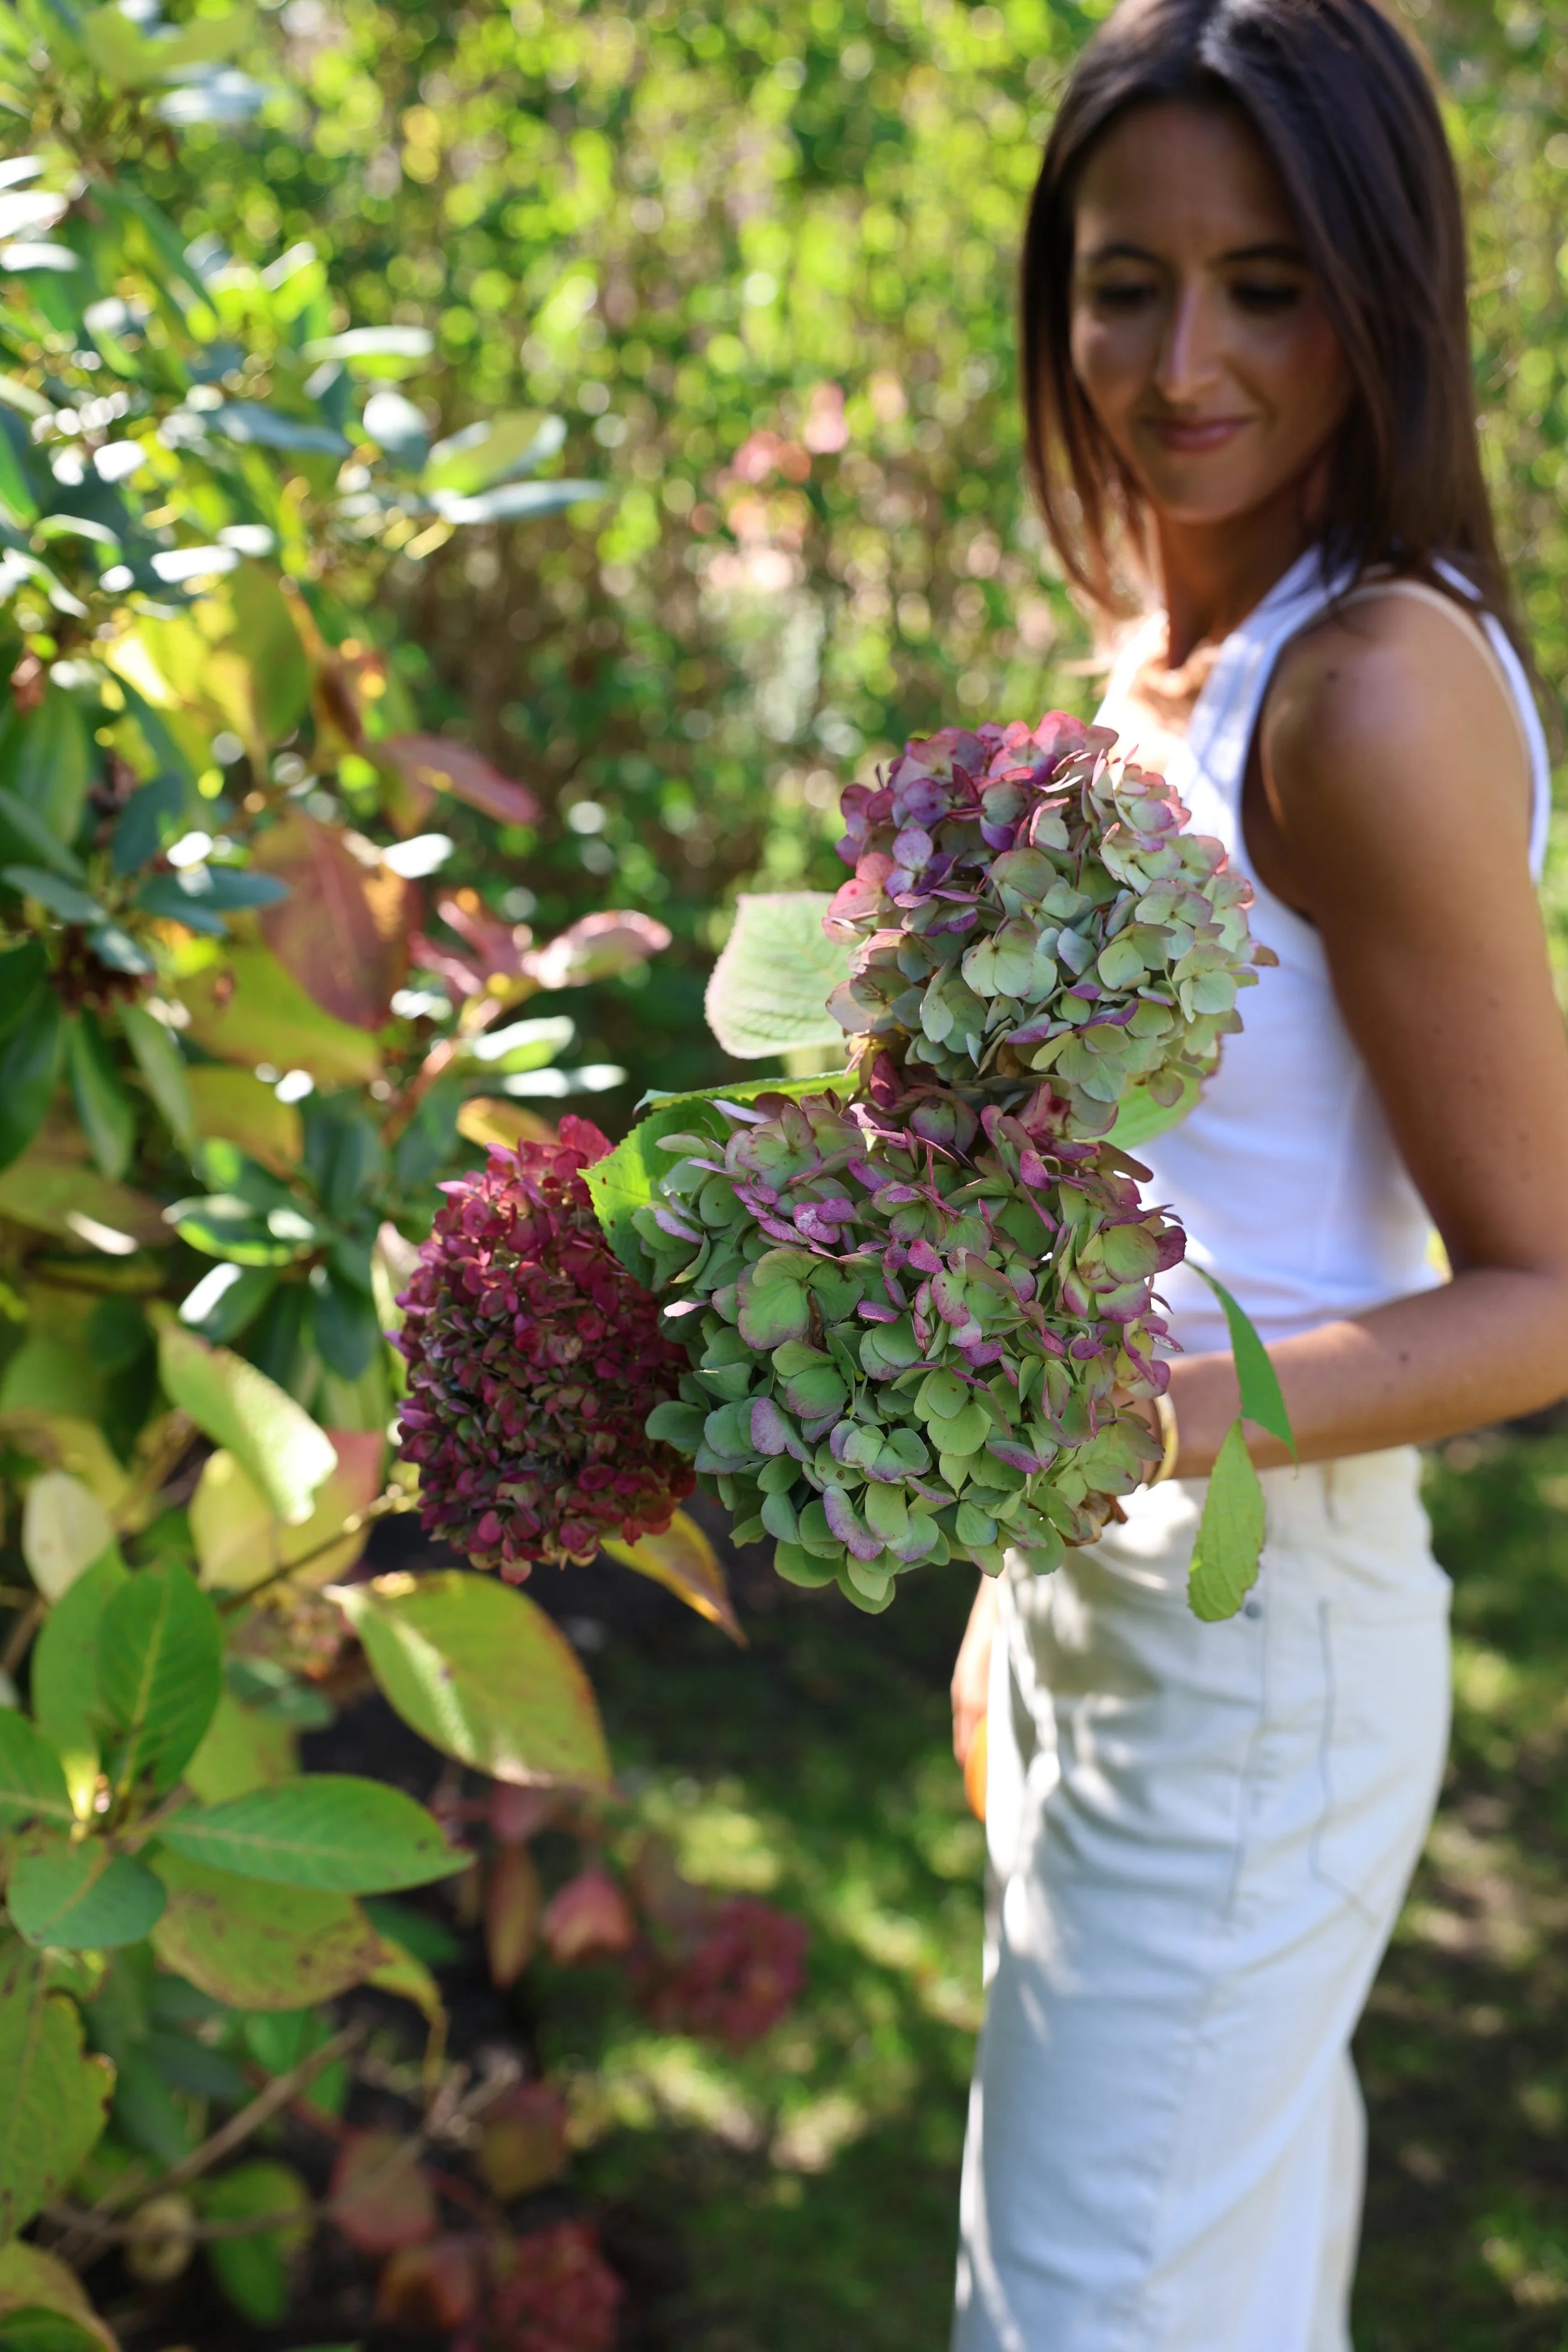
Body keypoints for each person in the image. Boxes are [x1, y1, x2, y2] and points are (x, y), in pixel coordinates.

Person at [948, 0, 1568, 2345]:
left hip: (1256, 1647)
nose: (1177, 359)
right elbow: (1144, 1196)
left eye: (1264, 284)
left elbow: (1541, 1290)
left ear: (1376, 292)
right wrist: (1008, 1602)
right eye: (1124, 284)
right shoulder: (1174, 640)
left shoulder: (1364, 692)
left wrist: (1167, 1416)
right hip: (1114, 1615)